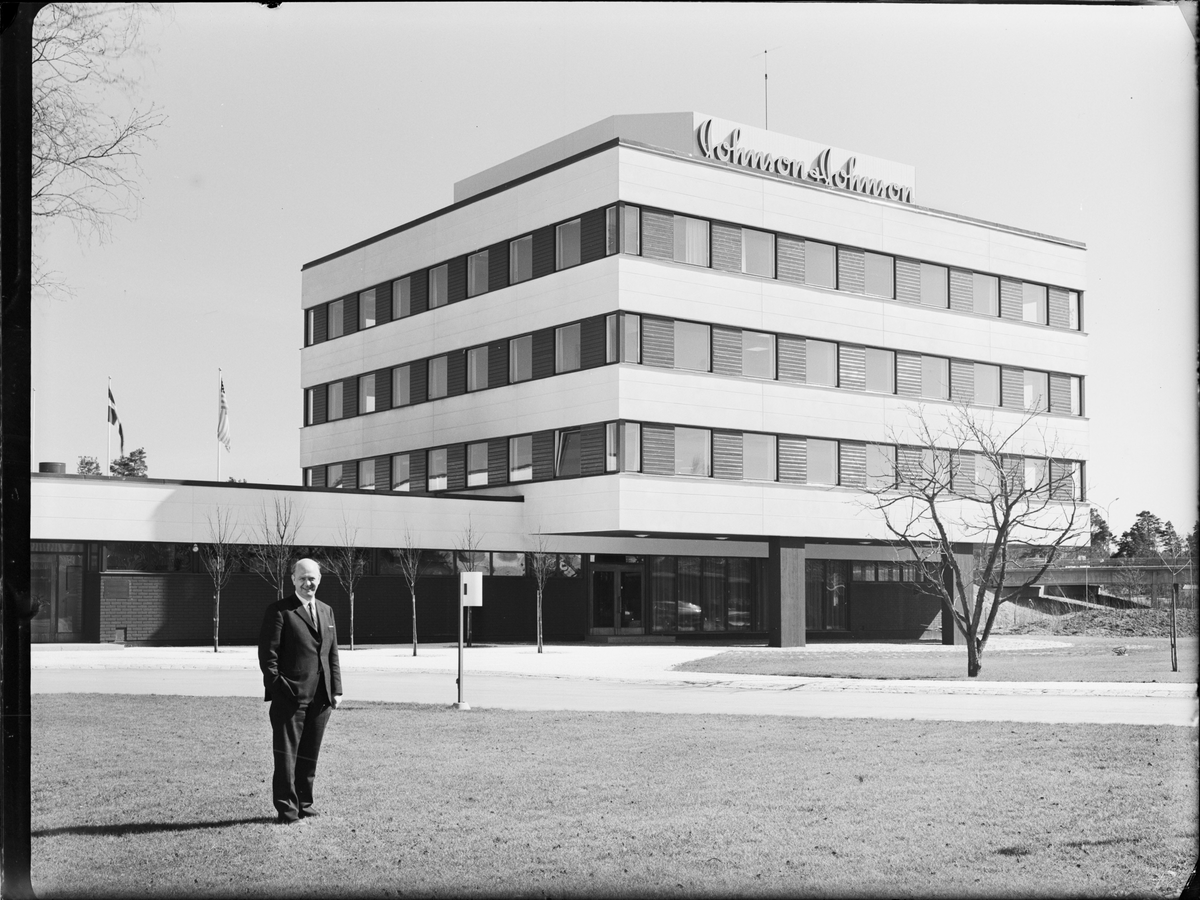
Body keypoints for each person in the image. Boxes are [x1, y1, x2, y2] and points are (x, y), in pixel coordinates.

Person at [258, 558, 342, 824]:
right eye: (303, 578)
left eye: (312, 578)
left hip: (321, 699)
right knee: (286, 758)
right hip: (290, 699)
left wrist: (336, 689)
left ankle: (305, 803)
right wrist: (280, 689)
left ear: (320, 580)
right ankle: (287, 809)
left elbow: (332, 654)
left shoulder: (327, 611)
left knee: (309, 755)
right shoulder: (280, 611)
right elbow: (268, 658)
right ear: (293, 579)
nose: (308, 583)